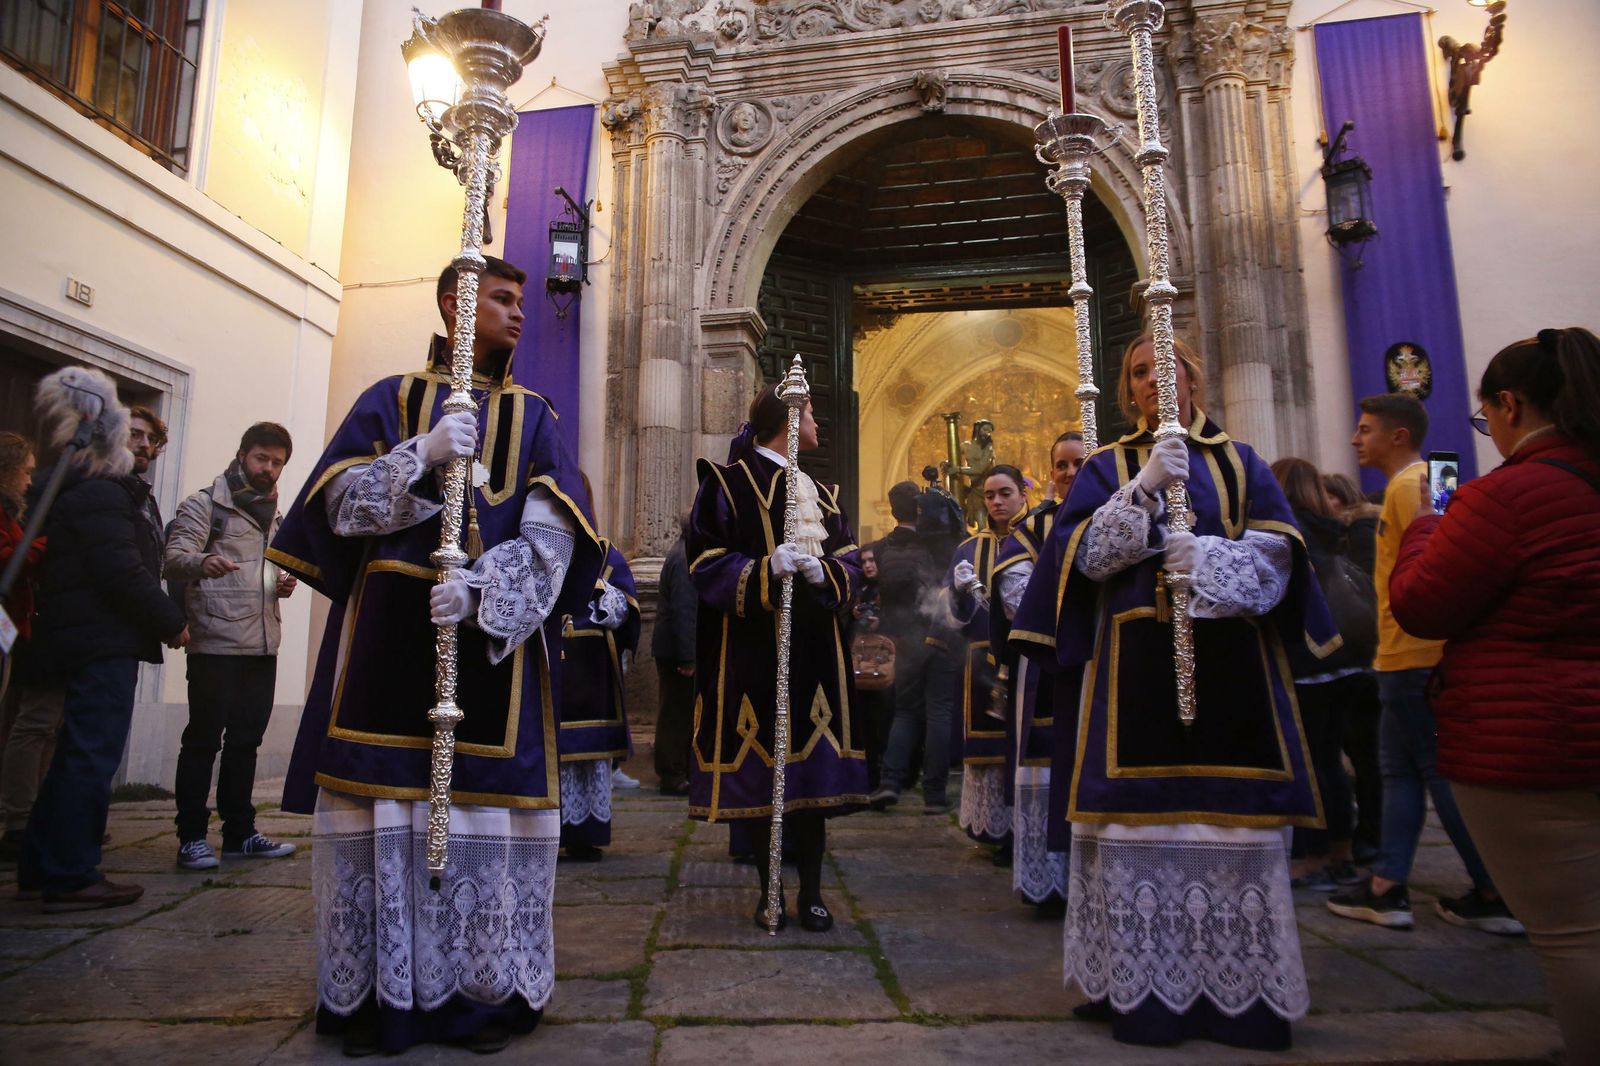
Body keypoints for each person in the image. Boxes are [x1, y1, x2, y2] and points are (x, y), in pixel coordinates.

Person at [267, 257, 602, 1055]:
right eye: (501, 299)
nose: (519, 314)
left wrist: (485, 594)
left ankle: (480, 996)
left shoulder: (536, 415)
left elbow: (559, 529)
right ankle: (384, 1000)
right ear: (456, 304)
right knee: (390, 815)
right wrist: (419, 452)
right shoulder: (388, 399)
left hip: (489, 654)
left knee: (481, 815)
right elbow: (335, 508)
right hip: (389, 639)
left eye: (523, 300)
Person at [1010, 334, 1335, 1050]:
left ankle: (1242, 1003)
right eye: (1140, 372)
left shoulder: (1242, 463)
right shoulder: (1106, 467)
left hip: (1232, 676)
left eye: (1169, 367)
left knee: (1229, 833)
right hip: (1133, 678)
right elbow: (1081, 560)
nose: (1155, 380)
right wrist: (1145, 488)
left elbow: (1282, 558)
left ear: (1195, 380)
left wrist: (1215, 556)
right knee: (1139, 838)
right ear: (1127, 391)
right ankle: (1143, 995)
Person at [1389, 327, 1600, 1062]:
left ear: (1510, 404)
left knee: (1572, 930)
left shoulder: (1508, 495)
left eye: (1486, 418)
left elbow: (1424, 603)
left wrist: (1422, 534)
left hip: (1538, 737)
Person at [1327, 393, 1517, 934]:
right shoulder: (1420, 483)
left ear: (1398, 437)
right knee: (1400, 772)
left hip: (1418, 655)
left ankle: (1494, 886)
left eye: (1365, 430)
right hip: (1399, 655)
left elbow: (1449, 562)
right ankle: (1387, 885)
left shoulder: (1417, 485)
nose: (1355, 439)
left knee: (1437, 774)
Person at [687, 384, 867, 933]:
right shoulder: (726, 484)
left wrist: (827, 572)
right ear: (788, 419)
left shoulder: (824, 493)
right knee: (768, 787)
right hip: (754, 655)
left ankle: (811, 892)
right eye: (811, 412)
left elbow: (851, 560)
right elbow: (705, 561)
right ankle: (771, 892)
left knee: (810, 788)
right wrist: (766, 569)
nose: (818, 424)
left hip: (816, 654)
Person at [20, 367, 189, 912]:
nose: (140, 447)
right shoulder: (102, 494)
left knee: (75, 753)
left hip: (90, 636)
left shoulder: (97, 492)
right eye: (130, 438)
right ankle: (71, 873)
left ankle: (42, 863)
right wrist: (171, 620)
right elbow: (123, 572)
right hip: (101, 640)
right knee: (91, 756)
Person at [164, 422, 299, 870]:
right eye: (262, 458)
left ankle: (240, 832)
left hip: (262, 644)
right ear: (242, 454)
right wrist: (203, 561)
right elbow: (173, 557)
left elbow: (263, 569)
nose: (269, 469)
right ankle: (191, 837)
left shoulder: (272, 513)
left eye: (277, 462)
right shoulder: (207, 505)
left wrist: (280, 583)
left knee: (246, 742)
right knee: (203, 740)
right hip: (216, 642)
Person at [990, 433, 1084, 913]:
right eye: (1061, 465)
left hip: (1102, 667)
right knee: (1046, 769)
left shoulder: (1120, 516)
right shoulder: (1033, 529)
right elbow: (1014, 596)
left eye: (1079, 463)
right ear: (1050, 473)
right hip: (1048, 666)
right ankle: (1048, 882)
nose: (1069, 473)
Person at [1271, 457, 1373, 891]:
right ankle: (1341, 852)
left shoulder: (1289, 531)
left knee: (1306, 763)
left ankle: (1311, 857)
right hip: (1345, 656)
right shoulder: (1332, 526)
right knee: (1330, 760)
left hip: (1306, 656)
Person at [950, 465, 1028, 863]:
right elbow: (956, 615)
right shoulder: (967, 549)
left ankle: (1029, 830)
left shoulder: (1037, 537)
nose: (997, 502)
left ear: (1023, 493)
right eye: (990, 495)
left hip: (1031, 659)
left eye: (1005, 493)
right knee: (992, 750)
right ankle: (998, 830)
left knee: (1029, 749)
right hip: (983, 657)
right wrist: (959, 593)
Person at [869, 480, 958, 815]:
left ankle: (890, 782)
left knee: (905, 711)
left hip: (902, 638)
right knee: (939, 711)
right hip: (938, 632)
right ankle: (934, 795)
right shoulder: (938, 545)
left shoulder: (882, 548)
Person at [556, 538, 639, 862]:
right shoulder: (549, 541)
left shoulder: (606, 553)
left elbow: (623, 608)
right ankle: (554, 832)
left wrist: (601, 593)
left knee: (592, 761)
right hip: (558, 665)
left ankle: (586, 836)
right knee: (556, 756)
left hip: (594, 672)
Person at [0, 432, 49, 865]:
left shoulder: (13, 511)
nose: (31, 481)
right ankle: (16, 821)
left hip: (14, 627)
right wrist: (44, 545)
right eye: (27, 471)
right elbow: (6, 558)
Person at [651, 513, 696, 797]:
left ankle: (681, 769)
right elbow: (684, 610)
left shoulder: (684, 554)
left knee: (680, 711)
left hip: (675, 648)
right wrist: (688, 657)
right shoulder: (684, 560)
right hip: (676, 651)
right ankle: (672, 774)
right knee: (676, 713)